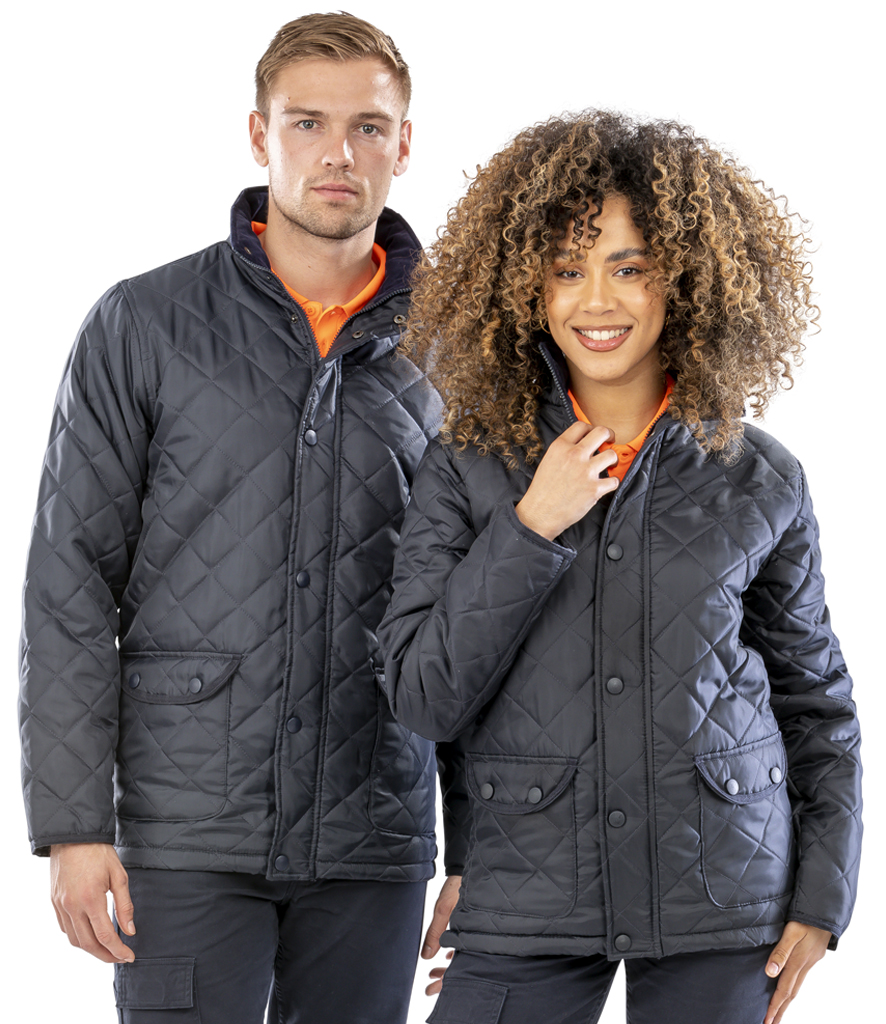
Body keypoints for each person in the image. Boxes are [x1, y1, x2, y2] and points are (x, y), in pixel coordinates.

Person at [378, 111, 862, 1024]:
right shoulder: (468, 463)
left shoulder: (759, 475)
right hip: (529, 890)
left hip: (724, 890)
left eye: (629, 268)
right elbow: (424, 696)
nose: (595, 301)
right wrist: (532, 525)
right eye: (567, 270)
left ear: (684, 279)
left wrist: (823, 897)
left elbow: (815, 704)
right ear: (525, 287)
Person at [18, 13, 447, 1024]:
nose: (338, 154)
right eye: (307, 123)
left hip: (375, 821)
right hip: (186, 828)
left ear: (403, 144)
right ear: (260, 135)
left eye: (368, 127)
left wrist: (482, 847)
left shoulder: (460, 345)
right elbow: (71, 579)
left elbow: (487, 610)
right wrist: (74, 825)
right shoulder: (144, 323)